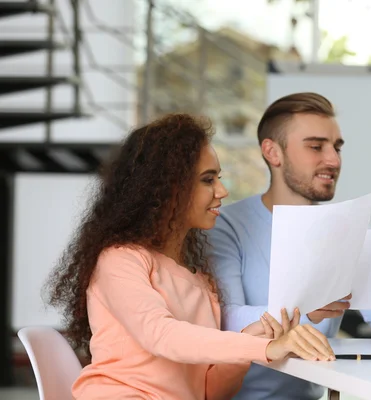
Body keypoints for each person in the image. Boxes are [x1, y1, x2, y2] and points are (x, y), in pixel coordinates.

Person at [45, 113, 335, 400]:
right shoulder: (120, 260)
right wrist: (265, 348)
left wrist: (251, 339)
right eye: (207, 180)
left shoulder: (200, 280)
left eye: (218, 178)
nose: (222, 191)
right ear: (168, 188)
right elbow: (162, 335)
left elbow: (211, 392)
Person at [205, 92, 371, 400]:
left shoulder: (346, 228)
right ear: (272, 152)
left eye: (336, 147)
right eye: (316, 146)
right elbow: (225, 319)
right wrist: (306, 311)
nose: (333, 160)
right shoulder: (225, 226)